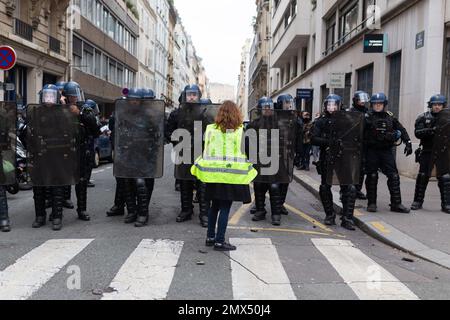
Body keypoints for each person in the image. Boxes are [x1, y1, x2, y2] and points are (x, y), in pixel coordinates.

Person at [191, 100, 257, 251]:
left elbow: (205, 148)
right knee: (225, 208)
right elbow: (248, 151)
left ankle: (210, 237)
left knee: (214, 206)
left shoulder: (210, 129)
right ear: (236, 114)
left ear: (220, 114)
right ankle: (220, 241)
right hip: (231, 176)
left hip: (213, 175)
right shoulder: (240, 131)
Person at [311, 94, 363, 230]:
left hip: (343, 156)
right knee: (325, 186)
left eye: (334, 105)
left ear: (339, 105)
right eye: (329, 105)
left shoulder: (346, 120)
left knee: (349, 187)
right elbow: (313, 138)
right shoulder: (320, 121)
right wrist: (329, 142)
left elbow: (356, 135)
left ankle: (347, 218)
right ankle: (329, 215)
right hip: (327, 157)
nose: (331, 107)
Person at [364, 93, 413, 213]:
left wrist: (408, 142)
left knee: (394, 176)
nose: (377, 106)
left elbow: (401, 129)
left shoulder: (390, 117)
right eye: (375, 104)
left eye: (380, 104)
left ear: (384, 105)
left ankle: (396, 203)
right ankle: (371, 203)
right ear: (372, 105)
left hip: (386, 151)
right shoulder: (367, 117)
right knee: (372, 176)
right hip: (372, 150)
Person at [411, 94, 450, 213]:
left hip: (443, 151)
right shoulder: (423, 117)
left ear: (444, 106)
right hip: (427, 150)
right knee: (423, 176)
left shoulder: (448, 119)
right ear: (430, 105)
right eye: (435, 105)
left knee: (445, 178)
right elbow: (417, 133)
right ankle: (417, 201)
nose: (437, 107)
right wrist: (431, 130)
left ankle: (446, 204)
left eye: (439, 105)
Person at [349, 91, 371, 200]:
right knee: (351, 168)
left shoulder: (367, 112)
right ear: (355, 101)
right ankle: (347, 190)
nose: (362, 103)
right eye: (360, 101)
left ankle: (357, 190)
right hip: (352, 144)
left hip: (364, 144)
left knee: (362, 169)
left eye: (363, 101)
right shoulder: (350, 112)